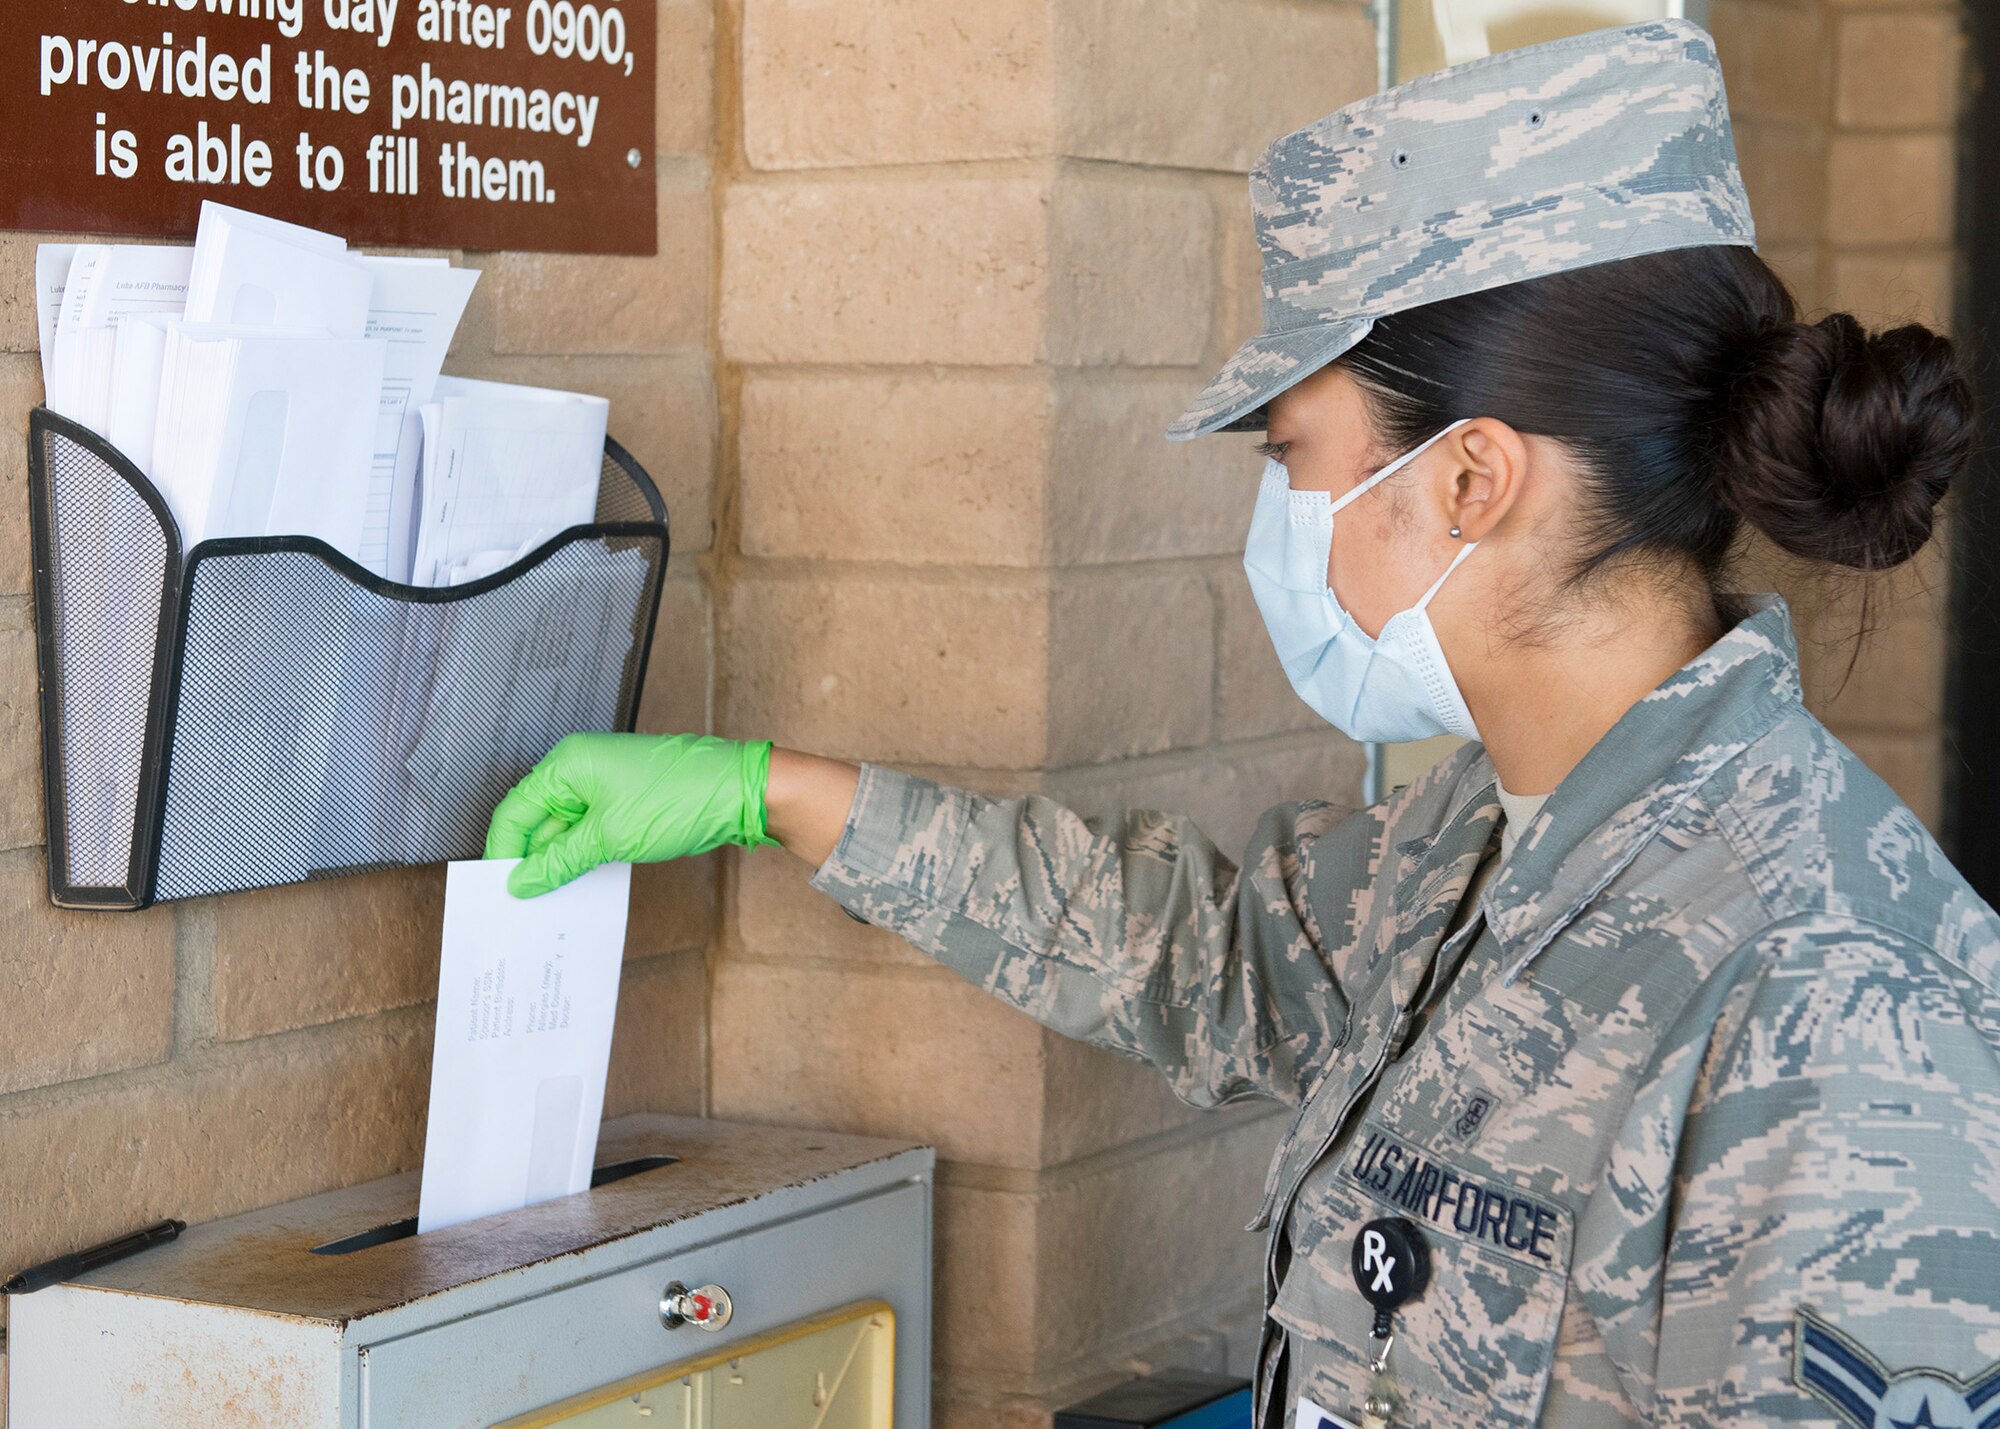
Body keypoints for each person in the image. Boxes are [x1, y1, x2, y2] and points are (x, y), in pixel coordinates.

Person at [485, 19, 2000, 1429]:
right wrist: (782, 792)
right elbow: (1214, 958)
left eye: (1298, 456)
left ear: (1472, 479)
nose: (1287, 522)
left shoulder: (1831, 1000)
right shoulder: (1492, 837)